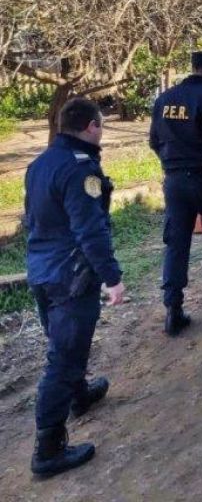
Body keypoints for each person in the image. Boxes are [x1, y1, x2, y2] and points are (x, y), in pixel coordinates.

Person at [25, 97, 125, 478]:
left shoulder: (40, 163)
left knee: (65, 344)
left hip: (41, 271)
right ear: (91, 127)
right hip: (71, 276)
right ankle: (48, 450)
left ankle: (79, 395)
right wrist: (113, 278)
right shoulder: (81, 170)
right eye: (101, 124)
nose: (102, 130)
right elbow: (91, 230)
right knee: (63, 358)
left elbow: (36, 219)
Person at [149, 50, 202, 336]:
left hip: (173, 182)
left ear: (194, 67)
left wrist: (172, 165)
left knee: (176, 243)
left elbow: (154, 141)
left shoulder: (164, 99)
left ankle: (173, 308)